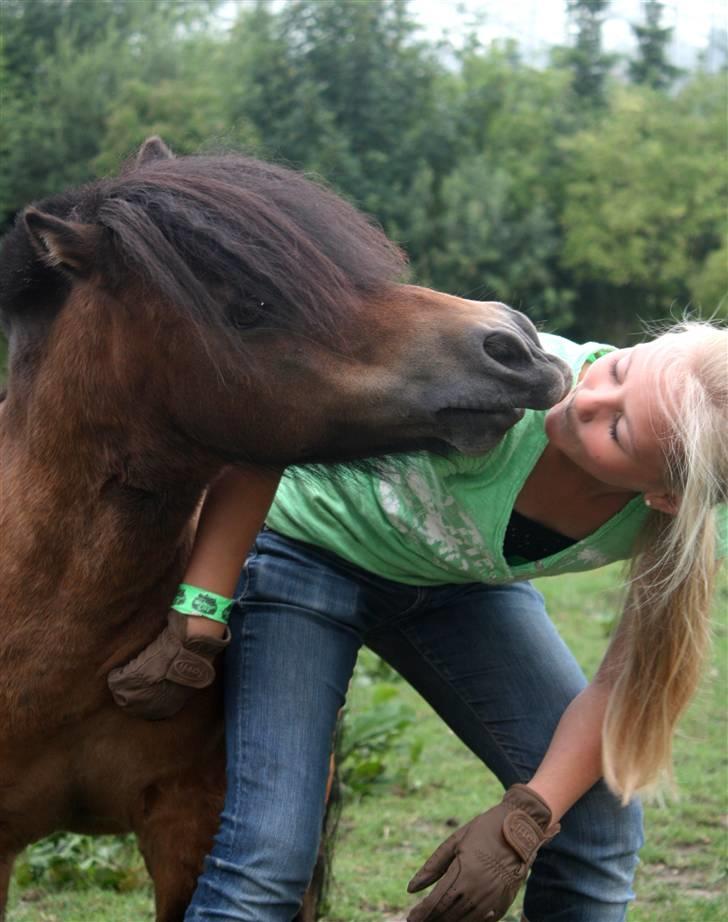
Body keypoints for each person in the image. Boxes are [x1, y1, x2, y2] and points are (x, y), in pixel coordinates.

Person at [108, 320, 728, 922]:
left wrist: (527, 822)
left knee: (597, 818)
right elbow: (282, 418)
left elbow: (624, 682)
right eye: (617, 368)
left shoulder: (697, 518)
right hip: (308, 556)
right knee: (267, 858)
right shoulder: (507, 378)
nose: (587, 398)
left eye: (618, 430)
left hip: (460, 588)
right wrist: (202, 608)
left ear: (666, 498)